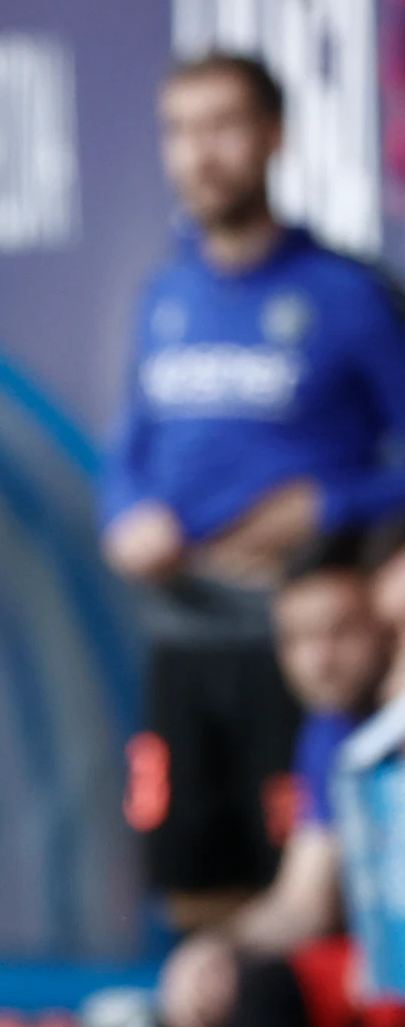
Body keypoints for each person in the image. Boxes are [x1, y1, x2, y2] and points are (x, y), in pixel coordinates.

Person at [101, 53, 405, 932]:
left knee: (309, 901)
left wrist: (331, 506)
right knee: (192, 890)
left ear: (274, 137)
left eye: (223, 127)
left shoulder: (348, 296)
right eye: (181, 131)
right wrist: (126, 515)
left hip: (300, 644)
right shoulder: (166, 295)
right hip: (183, 634)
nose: (201, 154)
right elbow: (128, 450)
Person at [156, 539, 403, 1027]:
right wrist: (215, 948)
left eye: (341, 632)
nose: (320, 660)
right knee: (250, 988)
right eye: (297, 639)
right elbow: (303, 903)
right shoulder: (334, 734)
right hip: (379, 978)